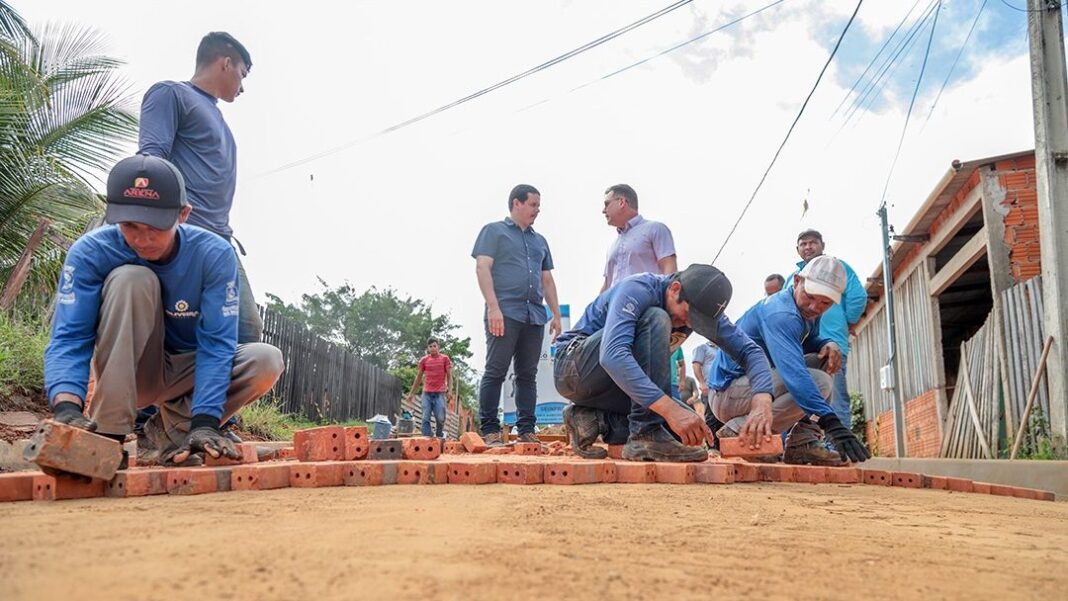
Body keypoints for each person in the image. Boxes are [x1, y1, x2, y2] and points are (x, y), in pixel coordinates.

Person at [43, 155, 285, 466]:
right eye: (130, 225)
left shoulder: (213, 254)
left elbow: (216, 344)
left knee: (265, 359)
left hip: (189, 368)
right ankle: (105, 438)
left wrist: (206, 422)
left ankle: (170, 433)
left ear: (183, 214)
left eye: (155, 226)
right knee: (132, 278)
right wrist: (66, 408)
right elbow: (70, 336)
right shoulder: (91, 252)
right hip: (133, 369)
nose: (142, 238)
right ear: (112, 214)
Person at [139, 31, 258, 442]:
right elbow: (151, 159)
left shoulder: (219, 120)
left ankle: (186, 424)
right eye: (241, 74)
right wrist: (160, 227)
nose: (242, 86)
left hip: (219, 242)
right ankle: (146, 423)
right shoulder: (171, 95)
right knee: (170, 330)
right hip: (181, 234)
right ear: (224, 62)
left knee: (245, 333)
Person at [554, 265, 773, 462]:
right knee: (656, 318)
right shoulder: (638, 289)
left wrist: (762, 401)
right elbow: (612, 355)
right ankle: (646, 433)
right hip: (574, 369)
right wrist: (669, 410)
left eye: (696, 323)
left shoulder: (701, 311)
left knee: (685, 430)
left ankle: (593, 419)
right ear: (675, 289)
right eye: (688, 315)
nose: (687, 324)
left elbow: (750, 351)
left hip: (616, 386)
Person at [707, 255, 870, 465]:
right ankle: (740, 430)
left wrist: (825, 343)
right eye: (810, 297)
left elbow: (808, 339)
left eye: (825, 302)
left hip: (753, 385)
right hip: (728, 393)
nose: (815, 307)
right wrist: (831, 423)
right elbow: (795, 375)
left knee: (823, 360)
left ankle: (803, 444)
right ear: (796, 282)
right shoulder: (780, 313)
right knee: (818, 382)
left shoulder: (807, 310)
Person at [472, 184, 562, 446]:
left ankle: (526, 431)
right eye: (533, 204)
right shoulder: (494, 232)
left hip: (534, 316)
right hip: (504, 312)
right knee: (496, 371)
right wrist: (493, 307)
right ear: (516, 203)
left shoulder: (539, 241)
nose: (537, 210)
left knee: (527, 375)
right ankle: (489, 430)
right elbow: (482, 267)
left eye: (538, 205)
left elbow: (547, 280)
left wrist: (555, 314)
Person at [788, 229, 867, 429]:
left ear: (822, 245)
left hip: (831, 343)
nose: (808, 247)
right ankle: (806, 445)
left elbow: (858, 297)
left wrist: (847, 323)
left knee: (835, 397)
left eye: (813, 242)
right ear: (797, 249)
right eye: (803, 244)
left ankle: (839, 450)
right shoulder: (794, 277)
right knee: (799, 398)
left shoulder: (838, 269)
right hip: (801, 348)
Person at [600, 184, 677, 292]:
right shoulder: (613, 246)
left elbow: (670, 270)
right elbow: (607, 284)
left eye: (607, 204)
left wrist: (666, 303)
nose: (603, 210)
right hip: (616, 306)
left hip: (646, 304)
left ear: (621, 202)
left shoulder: (655, 229)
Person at [407, 338, 453, 438]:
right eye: (430, 346)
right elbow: (418, 377)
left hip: (440, 393)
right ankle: (428, 439)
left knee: (440, 418)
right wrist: (411, 393)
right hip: (426, 393)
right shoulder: (424, 360)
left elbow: (449, 376)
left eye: (434, 346)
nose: (432, 348)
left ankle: (439, 433)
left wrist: (450, 390)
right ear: (428, 348)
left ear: (438, 347)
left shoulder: (445, 359)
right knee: (425, 417)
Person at [691, 340, 724, 447]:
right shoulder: (702, 348)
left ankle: (722, 446)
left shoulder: (722, 349)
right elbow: (696, 366)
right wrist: (702, 383)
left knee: (722, 417)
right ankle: (711, 446)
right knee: (711, 416)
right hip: (709, 387)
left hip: (722, 388)